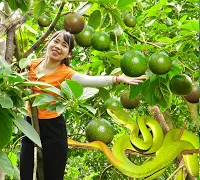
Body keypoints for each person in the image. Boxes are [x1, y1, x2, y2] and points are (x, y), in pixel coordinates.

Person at [20, 30, 146, 180]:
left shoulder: (65, 73)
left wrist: (118, 78)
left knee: (53, 175)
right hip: (29, 124)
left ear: (68, 54)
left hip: (53, 128)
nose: (58, 46)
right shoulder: (30, 65)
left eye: (64, 45)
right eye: (56, 41)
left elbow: (91, 80)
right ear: (48, 42)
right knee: (26, 173)